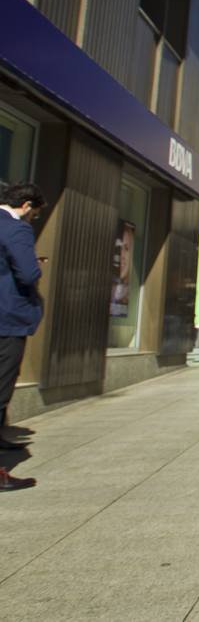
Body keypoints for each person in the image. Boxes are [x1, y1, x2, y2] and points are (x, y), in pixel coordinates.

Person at [0, 182, 45, 492]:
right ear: (27, 205)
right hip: (7, 320)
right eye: (36, 213)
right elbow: (27, 275)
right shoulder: (17, 230)